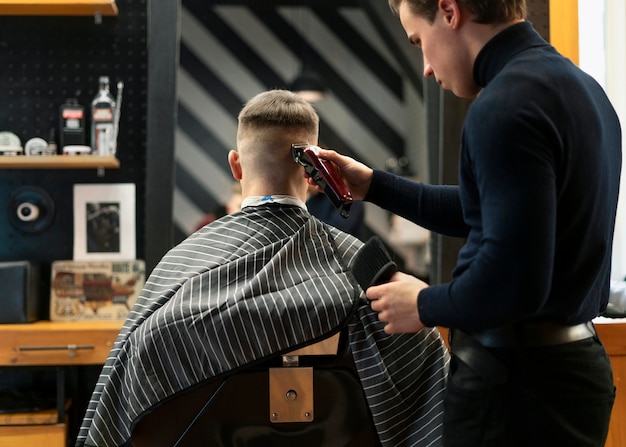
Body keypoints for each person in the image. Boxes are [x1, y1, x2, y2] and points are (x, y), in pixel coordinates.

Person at [308, 1, 622, 446]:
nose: (426, 69)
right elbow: (493, 213)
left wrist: (423, 304)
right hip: (573, 370)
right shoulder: (584, 90)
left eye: (419, 41)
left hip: (515, 391)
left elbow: (513, 282)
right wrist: (374, 185)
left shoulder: (503, 106)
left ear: (450, 12)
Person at [75, 89, 449, 447]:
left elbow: (130, 374)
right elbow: (427, 385)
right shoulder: (361, 271)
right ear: (314, 171)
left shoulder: (184, 265)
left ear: (235, 165)